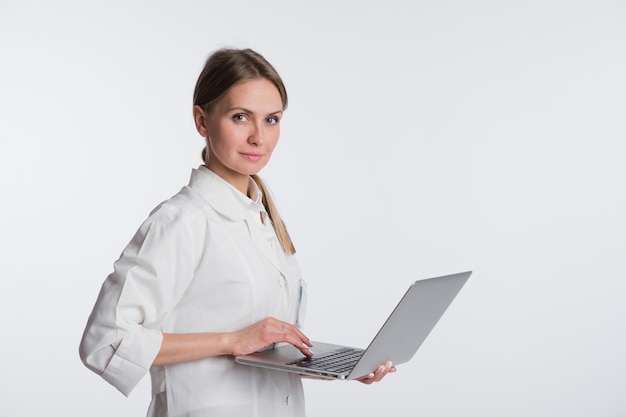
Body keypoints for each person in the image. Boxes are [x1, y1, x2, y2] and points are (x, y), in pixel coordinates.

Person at [79, 47, 396, 417]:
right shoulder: (183, 220)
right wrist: (231, 340)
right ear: (202, 120)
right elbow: (106, 341)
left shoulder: (263, 218)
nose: (258, 137)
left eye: (272, 120)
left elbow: (261, 351)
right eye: (241, 117)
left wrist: (339, 368)